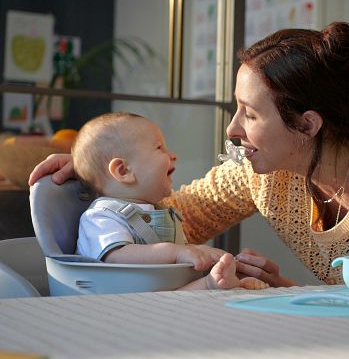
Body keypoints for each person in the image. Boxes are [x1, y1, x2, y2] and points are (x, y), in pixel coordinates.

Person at [30, 22, 349, 287]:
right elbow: (171, 217)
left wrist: (290, 290)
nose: (233, 131)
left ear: (308, 124)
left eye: (249, 114)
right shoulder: (260, 167)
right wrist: (97, 169)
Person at [71, 112, 268, 290]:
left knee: (207, 284)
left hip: (159, 296)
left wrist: (203, 253)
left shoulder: (159, 211)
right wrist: (175, 252)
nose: (173, 155)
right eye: (159, 148)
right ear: (124, 171)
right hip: (118, 300)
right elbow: (116, 257)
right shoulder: (100, 217)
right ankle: (216, 285)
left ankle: (222, 284)